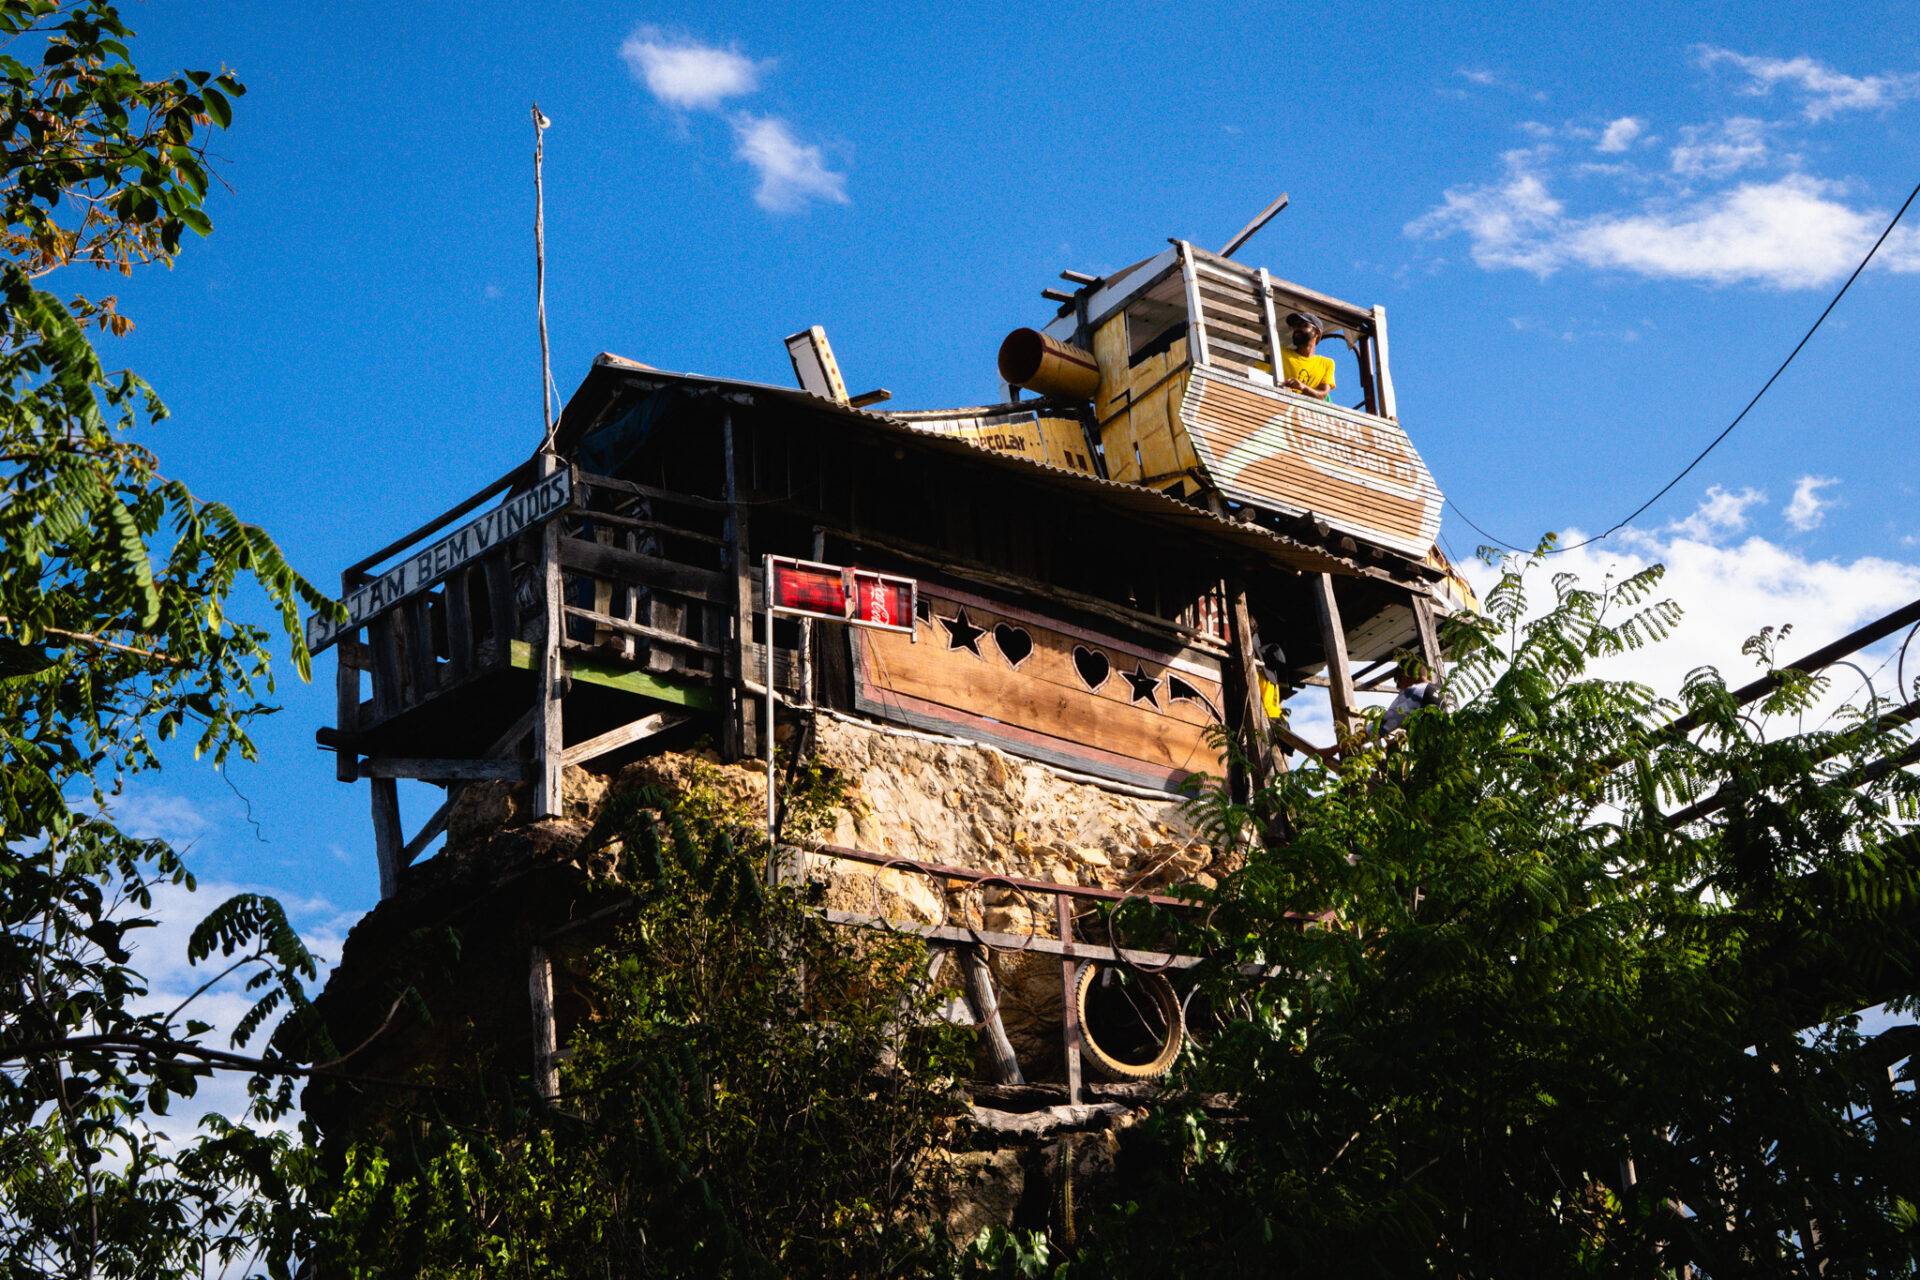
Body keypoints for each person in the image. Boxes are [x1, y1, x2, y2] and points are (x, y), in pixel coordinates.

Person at [1279, 311, 1335, 401]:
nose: (1297, 329)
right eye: (1296, 326)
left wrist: (1303, 388)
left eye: (1304, 325)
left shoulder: (1326, 363)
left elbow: (1322, 395)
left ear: (1317, 333)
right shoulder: (1280, 352)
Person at [1381, 656, 1443, 736]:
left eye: (1398, 681)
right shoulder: (1444, 690)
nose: (1398, 687)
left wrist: (1366, 731)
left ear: (1406, 675)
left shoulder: (1415, 692)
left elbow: (1386, 723)